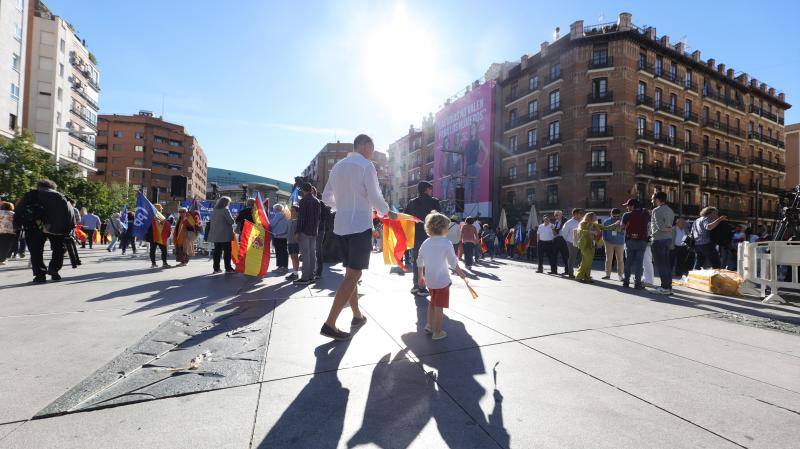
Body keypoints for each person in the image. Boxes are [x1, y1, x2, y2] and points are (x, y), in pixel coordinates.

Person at [320, 134, 396, 340]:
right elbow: (375, 196)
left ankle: (356, 315)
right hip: (360, 225)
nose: (372, 153)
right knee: (354, 275)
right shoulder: (366, 165)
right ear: (364, 146)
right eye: (372, 148)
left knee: (350, 274)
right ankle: (330, 323)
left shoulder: (338, 166)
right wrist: (386, 212)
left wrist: (343, 206)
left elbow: (326, 198)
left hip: (341, 225)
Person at [417, 212, 467, 340]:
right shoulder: (446, 243)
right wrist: (461, 273)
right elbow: (453, 262)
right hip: (442, 281)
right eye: (447, 227)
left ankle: (428, 324)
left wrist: (420, 277)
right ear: (443, 228)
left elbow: (419, 261)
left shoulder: (426, 242)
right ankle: (437, 332)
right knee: (439, 306)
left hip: (430, 280)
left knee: (432, 303)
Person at [13, 179, 73, 283]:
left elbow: (18, 211)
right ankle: (54, 269)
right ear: (53, 187)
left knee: (36, 251)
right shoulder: (61, 196)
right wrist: (68, 228)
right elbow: (70, 213)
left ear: (38, 186)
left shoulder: (31, 195)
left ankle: (40, 275)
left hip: (34, 226)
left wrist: (17, 226)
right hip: (57, 227)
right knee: (58, 249)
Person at [406, 181, 441, 295]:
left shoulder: (411, 203)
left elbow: (406, 218)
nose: (431, 191)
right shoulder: (434, 202)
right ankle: (423, 287)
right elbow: (439, 219)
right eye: (430, 189)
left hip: (415, 236)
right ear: (426, 189)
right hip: (430, 237)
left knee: (418, 261)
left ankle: (416, 286)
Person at [575, 212, 618, 283]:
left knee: (588, 262)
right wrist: (591, 232)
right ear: (590, 217)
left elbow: (606, 228)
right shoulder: (583, 224)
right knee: (586, 261)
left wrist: (615, 224)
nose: (596, 218)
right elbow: (580, 231)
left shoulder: (595, 224)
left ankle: (586, 277)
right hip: (585, 245)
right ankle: (579, 276)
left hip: (592, 245)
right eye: (595, 216)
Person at [620, 198, 650, 289]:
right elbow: (649, 226)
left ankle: (626, 282)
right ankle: (637, 283)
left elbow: (622, 227)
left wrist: (620, 225)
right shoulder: (645, 214)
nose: (627, 208)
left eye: (628, 206)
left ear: (633, 206)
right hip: (642, 241)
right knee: (639, 263)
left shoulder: (627, 215)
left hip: (630, 240)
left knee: (628, 262)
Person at [649, 192, 675, 294]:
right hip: (668, 240)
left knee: (661, 265)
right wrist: (670, 229)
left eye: (652, 199)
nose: (652, 201)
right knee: (666, 264)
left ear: (657, 199)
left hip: (659, 240)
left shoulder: (656, 210)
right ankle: (668, 287)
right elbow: (669, 227)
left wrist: (650, 236)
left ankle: (664, 288)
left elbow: (661, 227)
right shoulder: (670, 210)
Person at [295, 182, 321, 285]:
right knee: (312, 253)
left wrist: (297, 231)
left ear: (303, 190)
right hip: (314, 230)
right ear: (310, 189)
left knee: (306, 254)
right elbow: (318, 218)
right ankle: (311, 276)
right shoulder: (317, 201)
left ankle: (305, 277)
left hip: (305, 230)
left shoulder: (303, 201)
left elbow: (301, 217)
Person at [208, 196, 235, 273]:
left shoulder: (214, 210)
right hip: (225, 235)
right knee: (227, 252)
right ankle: (228, 268)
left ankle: (216, 268)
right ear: (226, 203)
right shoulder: (225, 210)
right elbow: (231, 222)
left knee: (217, 252)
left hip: (216, 235)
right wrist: (234, 218)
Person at [601, 208, 625, 281]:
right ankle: (607, 275)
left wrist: (619, 228)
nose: (616, 218)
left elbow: (624, 232)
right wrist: (605, 241)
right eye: (614, 216)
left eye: (617, 216)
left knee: (620, 260)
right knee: (609, 259)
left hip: (620, 243)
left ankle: (620, 276)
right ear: (611, 214)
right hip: (609, 243)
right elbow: (603, 233)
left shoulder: (622, 221)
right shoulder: (606, 221)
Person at [560, 208, 584, 278]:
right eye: (580, 213)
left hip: (582, 242)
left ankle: (581, 273)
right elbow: (563, 233)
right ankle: (571, 273)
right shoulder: (569, 223)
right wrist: (569, 240)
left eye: (581, 213)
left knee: (582, 258)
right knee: (572, 258)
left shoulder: (583, 221)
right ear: (575, 214)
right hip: (572, 242)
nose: (581, 214)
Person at [314, 188, 331, 279]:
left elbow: (325, 218)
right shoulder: (319, 204)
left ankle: (318, 271)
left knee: (318, 250)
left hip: (319, 230)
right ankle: (315, 270)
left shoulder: (321, 204)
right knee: (315, 250)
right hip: (317, 229)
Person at [270, 204, 289, 273]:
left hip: (278, 236)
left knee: (278, 252)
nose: (274, 211)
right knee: (284, 252)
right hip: (284, 236)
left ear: (277, 209)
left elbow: (272, 224)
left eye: (274, 209)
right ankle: (285, 267)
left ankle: (280, 267)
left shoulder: (278, 215)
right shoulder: (286, 215)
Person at [285, 206, 300, 280]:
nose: (291, 212)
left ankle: (296, 273)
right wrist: (278, 234)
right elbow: (286, 231)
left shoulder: (299, 221)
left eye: (293, 210)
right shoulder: (288, 220)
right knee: (292, 257)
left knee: (295, 257)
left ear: (297, 212)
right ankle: (294, 272)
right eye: (291, 210)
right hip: (289, 242)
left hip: (296, 242)